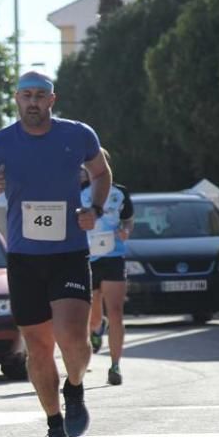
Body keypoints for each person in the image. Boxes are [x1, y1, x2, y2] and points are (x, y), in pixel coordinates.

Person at [0, 71, 111, 437]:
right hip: (25, 258)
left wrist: (94, 208)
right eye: (26, 95)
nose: (33, 102)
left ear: (52, 100)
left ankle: (75, 387)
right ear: (16, 99)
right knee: (39, 347)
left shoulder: (78, 135)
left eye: (40, 96)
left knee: (73, 339)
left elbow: (101, 173)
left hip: (68, 253)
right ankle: (54, 427)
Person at [81, 148, 134, 385]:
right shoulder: (78, 193)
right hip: (86, 258)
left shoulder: (120, 193)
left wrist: (126, 231)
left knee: (116, 311)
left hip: (113, 256)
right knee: (91, 317)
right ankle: (95, 329)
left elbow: (129, 218)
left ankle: (115, 366)